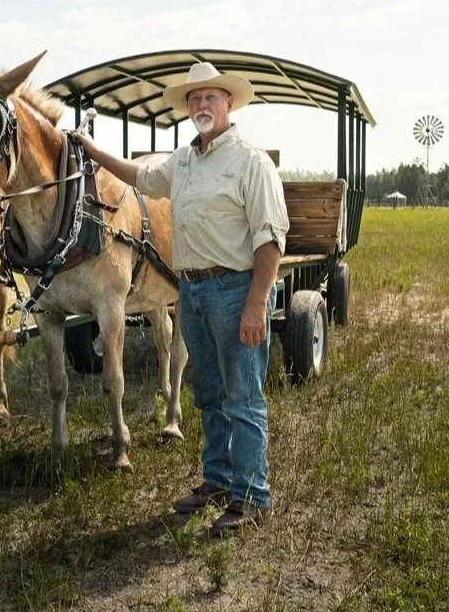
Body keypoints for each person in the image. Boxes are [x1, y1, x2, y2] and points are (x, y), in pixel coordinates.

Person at [71, 62, 289, 538]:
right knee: (208, 393)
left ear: (229, 103)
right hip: (190, 290)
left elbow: (270, 240)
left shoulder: (251, 162)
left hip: (235, 290)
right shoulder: (185, 159)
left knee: (243, 397)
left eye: (210, 97)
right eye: (194, 100)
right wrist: (93, 152)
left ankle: (251, 496)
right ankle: (217, 480)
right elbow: (142, 178)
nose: (201, 106)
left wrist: (257, 305)